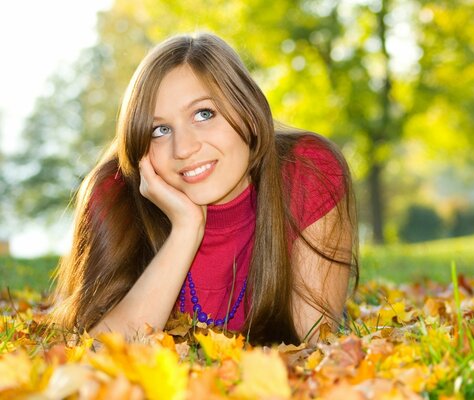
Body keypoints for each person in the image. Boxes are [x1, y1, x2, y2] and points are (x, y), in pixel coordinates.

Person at [49, 32, 358, 345]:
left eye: (203, 114)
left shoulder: (307, 171)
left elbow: (311, 339)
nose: (183, 148)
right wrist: (185, 229)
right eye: (160, 130)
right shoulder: (115, 194)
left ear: (249, 113)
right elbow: (99, 352)